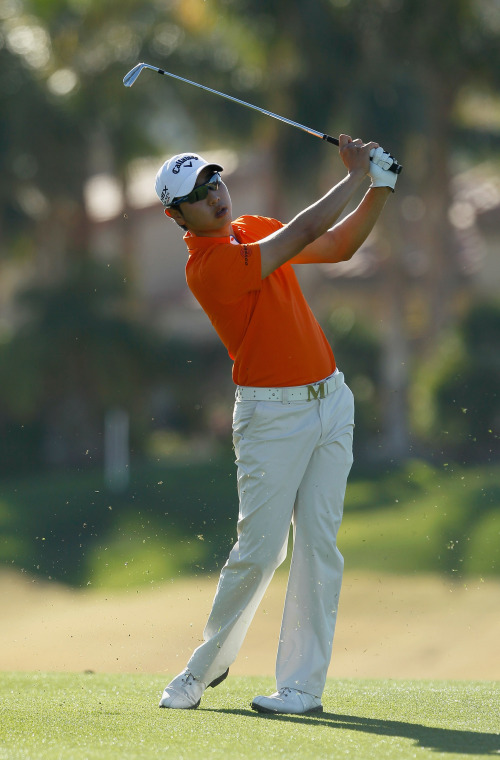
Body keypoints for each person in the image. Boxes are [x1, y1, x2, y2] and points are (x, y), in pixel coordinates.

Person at [154, 135, 399, 715]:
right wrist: (357, 175)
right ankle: (201, 671)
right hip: (271, 417)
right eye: (197, 193)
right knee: (260, 551)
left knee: (320, 548)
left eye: (215, 181)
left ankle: (301, 688)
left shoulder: (251, 227)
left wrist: (380, 188)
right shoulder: (207, 266)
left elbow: (337, 246)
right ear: (177, 215)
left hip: (332, 402)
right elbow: (307, 233)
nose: (215, 194)